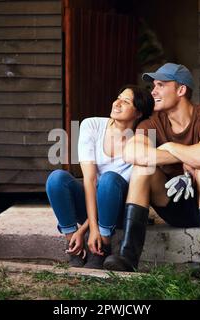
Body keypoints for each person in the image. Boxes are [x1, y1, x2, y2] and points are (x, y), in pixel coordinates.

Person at [103, 63, 200, 281]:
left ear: (181, 90)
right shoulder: (152, 122)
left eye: (160, 85)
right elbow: (131, 153)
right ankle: (127, 257)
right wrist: (185, 155)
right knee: (142, 167)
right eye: (153, 86)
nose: (153, 91)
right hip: (174, 206)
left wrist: (170, 147)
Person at [46, 85, 154, 269]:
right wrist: (84, 230)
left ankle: (102, 246)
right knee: (57, 179)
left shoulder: (140, 141)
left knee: (109, 179)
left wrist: (93, 230)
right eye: (118, 97)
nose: (117, 103)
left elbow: (111, 187)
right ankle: (73, 243)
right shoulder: (92, 125)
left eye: (126, 101)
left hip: (117, 210)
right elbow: (90, 179)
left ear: (138, 113)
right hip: (93, 205)